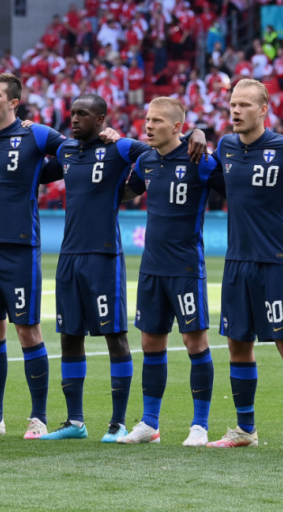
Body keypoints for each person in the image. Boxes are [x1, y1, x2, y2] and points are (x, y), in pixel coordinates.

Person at [42, 95, 207, 442]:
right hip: (69, 255)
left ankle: (119, 423)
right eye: (72, 113)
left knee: (116, 336)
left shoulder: (123, 149)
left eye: (82, 114)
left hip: (106, 255)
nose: (74, 119)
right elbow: (31, 158)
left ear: (101, 119)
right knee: (69, 335)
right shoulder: (66, 150)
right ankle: (75, 422)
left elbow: (170, 153)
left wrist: (198, 131)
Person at [206, 79, 283, 452]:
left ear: (263, 109)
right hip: (236, 261)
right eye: (232, 104)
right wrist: (194, 133)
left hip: (275, 260)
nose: (236, 110)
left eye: (244, 104)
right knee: (238, 345)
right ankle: (245, 429)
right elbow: (217, 180)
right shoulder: (225, 146)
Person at [0, 73, 66, 439]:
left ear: (13, 102)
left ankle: (39, 418)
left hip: (19, 248)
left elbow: (74, 152)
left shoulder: (36, 134)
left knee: (27, 330)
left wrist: (39, 173)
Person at [117, 98, 224, 446]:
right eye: (147, 120)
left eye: (157, 121)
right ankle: (149, 423)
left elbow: (237, 190)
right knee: (150, 341)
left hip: (185, 267)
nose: (148, 126)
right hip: (151, 267)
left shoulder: (200, 160)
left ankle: (200, 425)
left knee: (195, 342)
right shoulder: (145, 161)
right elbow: (124, 191)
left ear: (177, 127)